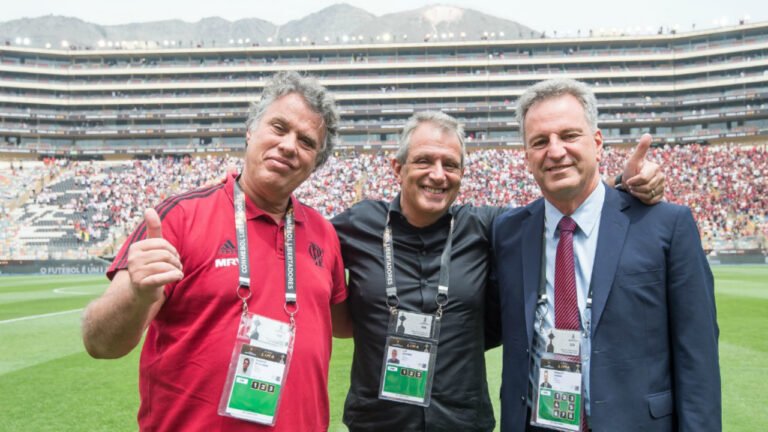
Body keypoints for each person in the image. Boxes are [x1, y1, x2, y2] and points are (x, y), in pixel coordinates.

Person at [332, 110, 665, 431]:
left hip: (460, 422)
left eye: (450, 164)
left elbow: (556, 209)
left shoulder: (486, 226)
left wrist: (622, 183)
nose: (437, 174)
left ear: (462, 173)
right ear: (397, 167)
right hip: (376, 422)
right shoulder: (358, 225)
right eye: (424, 161)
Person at [81, 71, 348, 431]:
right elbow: (99, 343)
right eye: (279, 127)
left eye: (306, 141)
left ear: (316, 162)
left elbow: (343, 324)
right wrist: (137, 293)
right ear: (251, 131)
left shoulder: (324, 233)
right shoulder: (179, 217)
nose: (288, 145)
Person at [491, 78, 720, 432]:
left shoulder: (665, 224)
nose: (555, 151)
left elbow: (698, 357)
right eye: (540, 141)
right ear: (526, 157)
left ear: (597, 144)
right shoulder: (508, 231)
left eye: (569, 136)